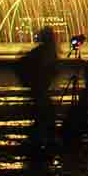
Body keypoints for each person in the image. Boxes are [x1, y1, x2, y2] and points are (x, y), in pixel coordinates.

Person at [16, 26, 61, 159]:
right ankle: (42, 144)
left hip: (38, 88)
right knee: (45, 115)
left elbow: (22, 63)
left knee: (41, 115)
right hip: (40, 89)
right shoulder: (47, 52)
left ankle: (38, 142)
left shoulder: (41, 51)